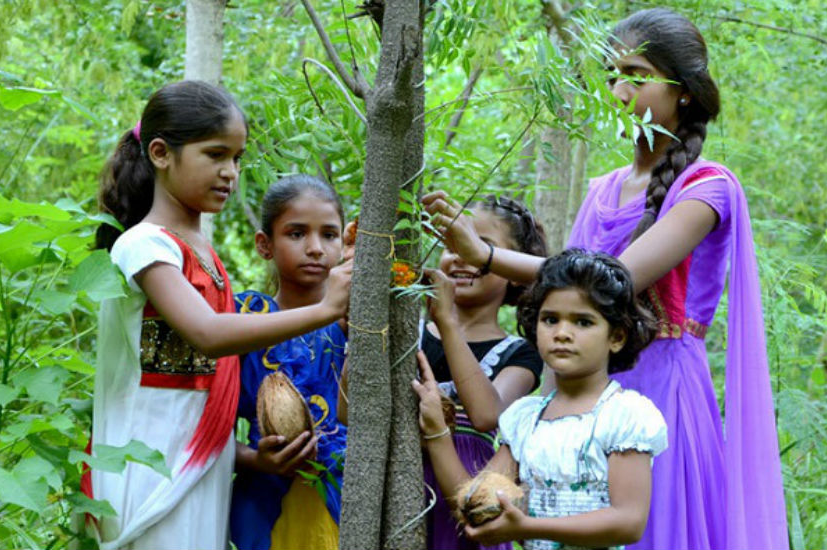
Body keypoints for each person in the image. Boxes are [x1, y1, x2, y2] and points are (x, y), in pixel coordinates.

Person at [421, 8, 788, 549]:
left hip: (665, 391)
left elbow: (608, 281)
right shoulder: (602, 190)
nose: (618, 90)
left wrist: (485, 254)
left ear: (683, 91)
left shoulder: (709, 187)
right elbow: (570, 296)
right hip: (579, 391)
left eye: (637, 76)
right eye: (612, 75)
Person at [85, 81, 351, 550]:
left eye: (237, 158)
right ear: (162, 153)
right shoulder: (145, 244)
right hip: (149, 464)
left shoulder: (203, 252)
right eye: (215, 155)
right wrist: (328, 309)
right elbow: (208, 334)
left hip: (204, 464)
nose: (231, 172)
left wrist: (252, 458)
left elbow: (208, 387)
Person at [413, 250, 667, 550]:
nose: (562, 333)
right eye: (550, 319)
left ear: (617, 337)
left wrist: (529, 526)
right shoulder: (525, 420)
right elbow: (475, 505)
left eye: (583, 322)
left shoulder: (625, 415)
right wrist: (437, 432)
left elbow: (628, 522)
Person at [337, 196, 548, 550]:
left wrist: (447, 322)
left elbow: (485, 414)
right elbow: (349, 410)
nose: (462, 255)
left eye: (482, 247)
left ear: (514, 273)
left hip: (462, 494)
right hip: (392, 487)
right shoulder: (409, 331)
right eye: (452, 244)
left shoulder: (520, 352)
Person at [229, 175, 349, 550]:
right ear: (265, 244)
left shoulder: (361, 323)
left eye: (329, 235)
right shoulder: (242, 318)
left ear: (346, 243)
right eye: (296, 234)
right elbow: (203, 427)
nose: (315, 248)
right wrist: (252, 459)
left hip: (347, 497)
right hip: (264, 498)